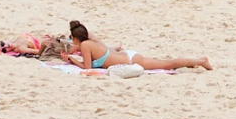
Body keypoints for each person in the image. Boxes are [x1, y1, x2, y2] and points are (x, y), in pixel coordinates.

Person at [67, 20, 210, 71]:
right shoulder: (91, 42)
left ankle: (200, 61)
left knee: (167, 64)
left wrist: (72, 60)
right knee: (164, 63)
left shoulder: (85, 46)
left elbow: (87, 68)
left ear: (75, 38)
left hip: (131, 61)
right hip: (128, 57)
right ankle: (190, 64)